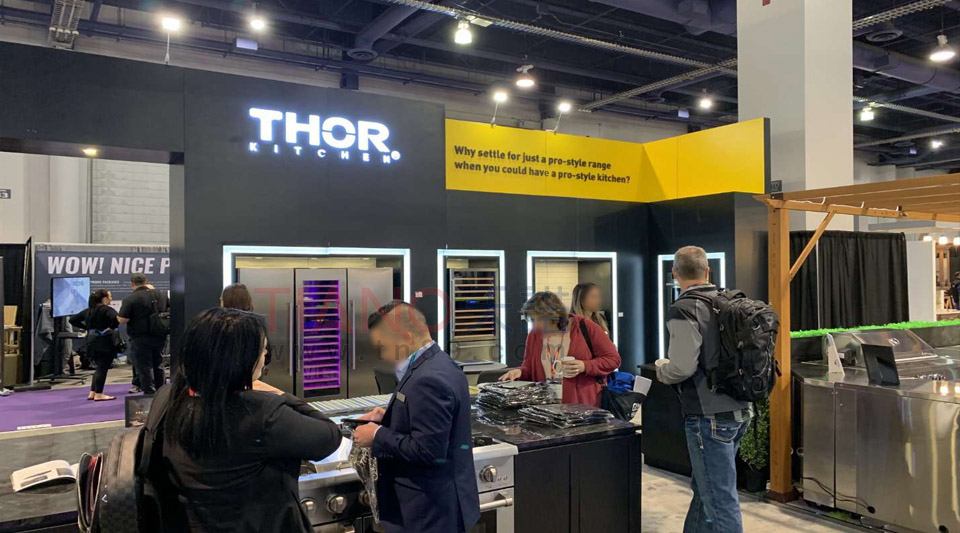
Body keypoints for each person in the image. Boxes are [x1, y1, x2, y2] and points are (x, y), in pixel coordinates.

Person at [149, 308, 342, 532]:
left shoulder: (169, 398)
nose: (265, 355)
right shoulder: (261, 413)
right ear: (240, 358)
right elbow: (329, 436)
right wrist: (278, 394)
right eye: (262, 349)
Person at [352, 301, 479, 533]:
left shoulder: (428, 379)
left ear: (406, 338)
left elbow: (428, 450)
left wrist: (377, 435)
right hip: (439, 506)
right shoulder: (439, 363)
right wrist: (389, 417)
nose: (383, 356)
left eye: (383, 347)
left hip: (429, 512)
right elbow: (428, 422)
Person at [655, 246, 752, 533]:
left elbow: (682, 367)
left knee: (719, 500)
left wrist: (663, 370)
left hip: (708, 417)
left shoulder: (683, 308)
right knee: (705, 489)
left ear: (675, 274)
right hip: (741, 409)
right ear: (708, 271)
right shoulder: (729, 302)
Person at [499, 291, 620, 406]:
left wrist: (584, 366)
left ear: (554, 316)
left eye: (538, 319)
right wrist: (520, 371)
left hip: (582, 404)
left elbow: (613, 359)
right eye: (532, 320)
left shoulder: (586, 327)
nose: (535, 325)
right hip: (546, 405)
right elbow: (529, 366)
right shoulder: (534, 334)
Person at [118, 273, 168, 394]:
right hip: (160, 335)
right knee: (159, 364)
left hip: (140, 337)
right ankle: (161, 391)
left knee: (144, 367)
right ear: (146, 282)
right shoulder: (161, 295)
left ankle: (149, 393)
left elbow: (123, 319)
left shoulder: (130, 299)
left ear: (132, 284)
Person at [69, 290, 120, 401]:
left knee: (98, 367)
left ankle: (93, 391)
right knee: (103, 368)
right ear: (104, 298)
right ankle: (99, 393)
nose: (111, 299)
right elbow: (117, 319)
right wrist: (110, 328)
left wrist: (87, 328)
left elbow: (72, 320)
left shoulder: (89, 311)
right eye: (110, 296)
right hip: (105, 342)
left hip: (91, 341)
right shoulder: (107, 310)